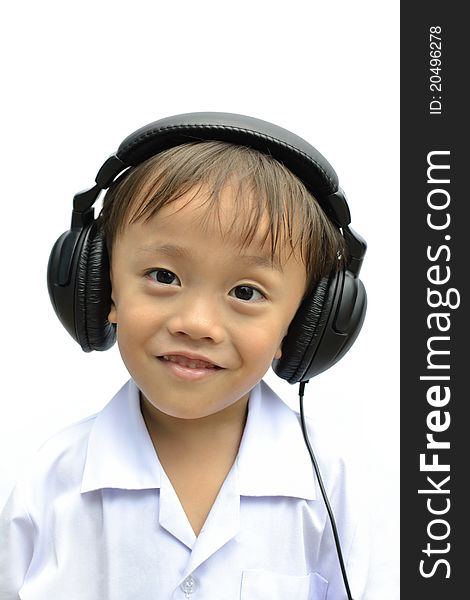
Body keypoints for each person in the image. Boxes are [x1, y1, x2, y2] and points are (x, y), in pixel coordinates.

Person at [0, 113, 370, 599]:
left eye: (246, 291)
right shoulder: (51, 483)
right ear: (101, 290)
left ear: (302, 327)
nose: (195, 322)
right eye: (163, 276)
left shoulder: (328, 485)